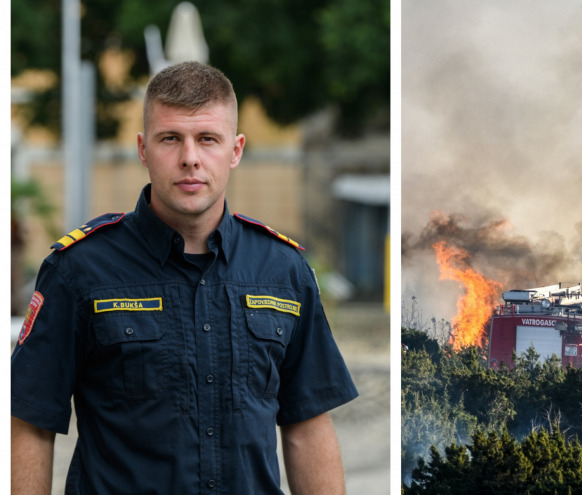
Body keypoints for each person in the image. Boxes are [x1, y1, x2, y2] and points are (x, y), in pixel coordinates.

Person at [11, 62, 358, 494]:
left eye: (208, 139)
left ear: (235, 149)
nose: (190, 157)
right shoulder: (80, 270)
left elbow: (307, 427)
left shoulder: (284, 271)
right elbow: (31, 423)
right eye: (170, 138)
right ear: (143, 148)